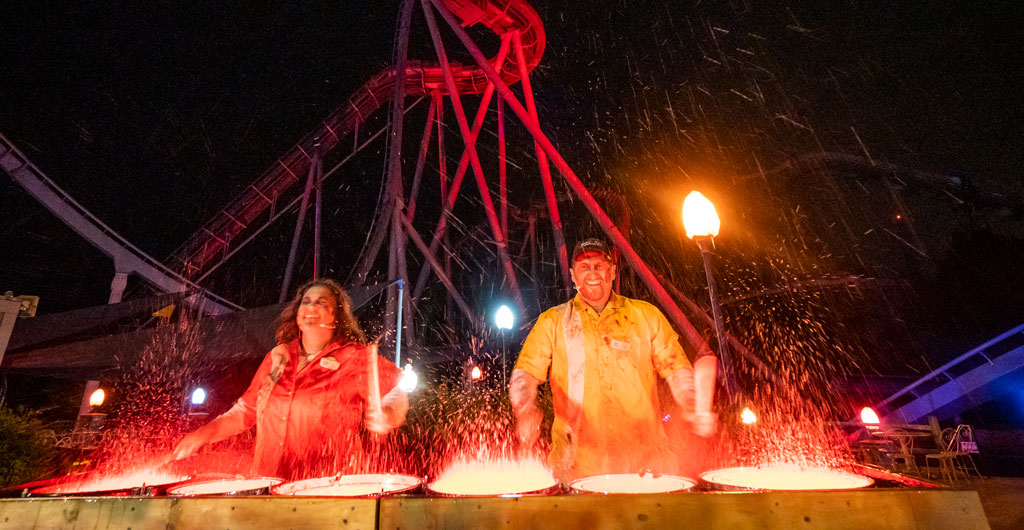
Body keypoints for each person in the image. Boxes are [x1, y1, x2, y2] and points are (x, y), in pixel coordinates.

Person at [509, 238, 717, 481]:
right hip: (576, 469)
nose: (593, 273)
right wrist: (524, 408)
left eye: (600, 265)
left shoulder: (645, 315)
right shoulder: (552, 322)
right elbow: (525, 374)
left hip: (646, 468)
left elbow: (676, 369)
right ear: (573, 276)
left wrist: (693, 405)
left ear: (613, 271)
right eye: (584, 267)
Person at [172, 279, 408, 478]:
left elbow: (398, 390)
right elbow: (245, 411)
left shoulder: (354, 357)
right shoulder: (277, 357)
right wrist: (205, 434)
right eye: (306, 302)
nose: (311, 307)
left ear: (336, 318)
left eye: (321, 303)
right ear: (297, 315)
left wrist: (386, 414)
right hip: (271, 484)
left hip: (330, 489)